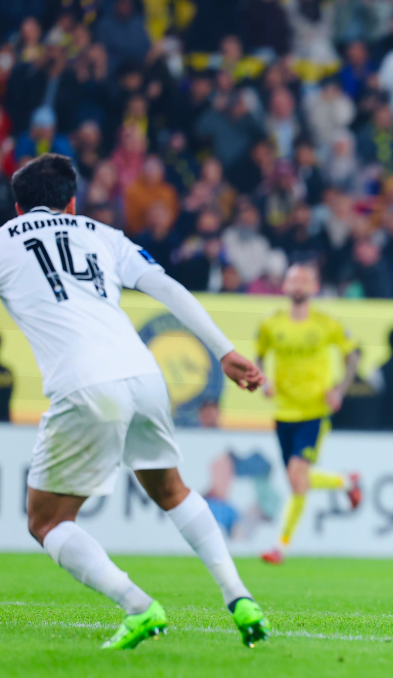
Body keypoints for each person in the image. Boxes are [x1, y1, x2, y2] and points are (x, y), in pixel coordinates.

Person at [2, 154, 269, 649]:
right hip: (145, 375)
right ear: (72, 202)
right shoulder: (103, 234)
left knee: (46, 521)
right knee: (171, 489)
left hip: (84, 383)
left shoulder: (4, 242)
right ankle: (240, 596)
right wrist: (224, 351)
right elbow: (167, 286)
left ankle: (138, 606)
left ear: (18, 209)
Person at [258, 264, 363, 565]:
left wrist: (339, 390)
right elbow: (259, 356)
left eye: (304, 280)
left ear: (315, 287)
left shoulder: (326, 323)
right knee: (298, 482)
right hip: (283, 411)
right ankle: (346, 481)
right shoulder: (271, 324)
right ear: (285, 286)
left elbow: (353, 356)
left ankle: (280, 547)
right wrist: (264, 381)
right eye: (293, 279)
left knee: (297, 477)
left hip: (315, 411)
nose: (298, 284)